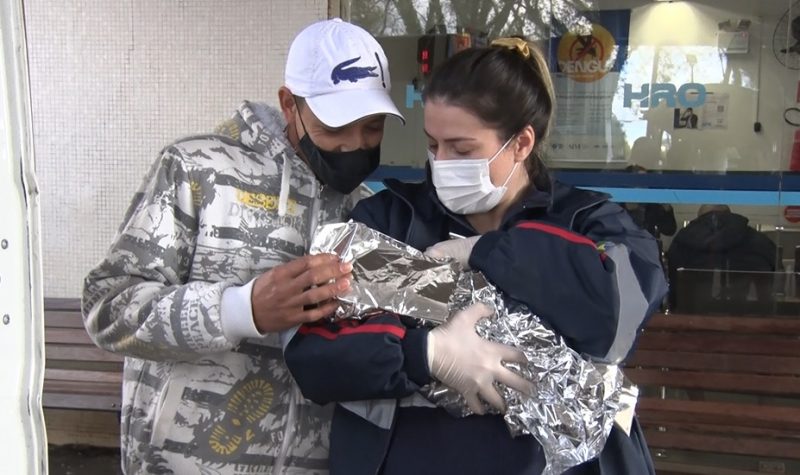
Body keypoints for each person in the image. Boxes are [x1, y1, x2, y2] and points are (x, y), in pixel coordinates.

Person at [284, 38, 668, 474]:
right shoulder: (390, 221)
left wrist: (489, 251)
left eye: (462, 149)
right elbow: (313, 358)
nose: (441, 162)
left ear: (521, 143)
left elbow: (616, 317)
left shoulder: (587, 221)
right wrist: (422, 353)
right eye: (432, 145)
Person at [81, 18, 404, 474]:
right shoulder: (197, 170)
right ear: (289, 104)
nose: (355, 145)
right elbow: (108, 308)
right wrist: (240, 309)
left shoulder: (367, 212)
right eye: (336, 127)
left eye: (372, 128)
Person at [666, 204, 778, 311]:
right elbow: (776, 272)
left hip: (694, 317)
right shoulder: (758, 239)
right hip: (749, 317)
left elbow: (673, 280)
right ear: (729, 214)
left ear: (699, 217)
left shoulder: (683, 238)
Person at [621, 165, 677, 240]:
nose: (644, 184)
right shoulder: (618, 203)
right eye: (640, 180)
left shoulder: (652, 204)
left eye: (646, 180)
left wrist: (667, 209)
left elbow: (669, 230)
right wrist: (631, 211)